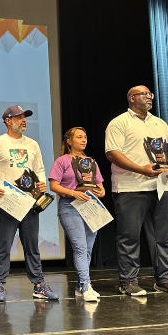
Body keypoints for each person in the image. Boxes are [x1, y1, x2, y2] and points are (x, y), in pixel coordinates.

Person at [104, 85, 168, 296]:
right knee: (129, 236)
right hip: (130, 187)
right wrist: (140, 169)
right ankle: (128, 281)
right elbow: (113, 154)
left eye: (150, 94)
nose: (150, 97)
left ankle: (165, 279)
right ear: (132, 98)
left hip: (160, 186)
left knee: (164, 236)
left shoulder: (159, 123)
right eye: (145, 94)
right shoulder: (119, 123)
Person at [0, 105, 58, 302]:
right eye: (19, 117)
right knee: (3, 246)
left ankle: (39, 285)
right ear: (8, 120)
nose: (24, 120)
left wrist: (40, 184)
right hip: (7, 203)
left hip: (29, 203)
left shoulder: (32, 144)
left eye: (25, 117)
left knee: (32, 246)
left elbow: (39, 168)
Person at [48, 127, 106, 302]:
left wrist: (98, 192)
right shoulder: (62, 161)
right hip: (70, 206)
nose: (83, 140)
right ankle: (87, 286)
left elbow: (101, 189)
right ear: (69, 141)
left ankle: (81, 286)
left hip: (90, 207)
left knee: (87, 248)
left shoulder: (91, 162)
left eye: (85, 137)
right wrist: (73, 193)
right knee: (80, 247)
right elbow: (54, 186)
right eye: (79, 137)